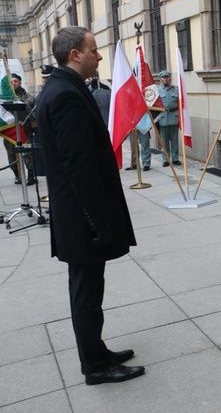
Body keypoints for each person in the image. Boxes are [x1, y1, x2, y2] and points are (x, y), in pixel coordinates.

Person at [35, 26, 145, 385]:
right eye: (93, 49)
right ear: (74, 55)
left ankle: (96, 351)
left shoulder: (64, 87)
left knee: (88, 289)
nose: (99, 56)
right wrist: (98, 220)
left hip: (78, 214)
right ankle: (95, 366)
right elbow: (78, 165)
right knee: (86, 293)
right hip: (81, 217)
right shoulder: (65, 94)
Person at [2, 73, 36, 185]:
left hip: (25, 130)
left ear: (20, 82)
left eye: (16, 81)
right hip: (10, 130)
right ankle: (17, 176)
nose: (13, 83)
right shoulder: (3, 99)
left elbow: (34, 114)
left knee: (28, 153)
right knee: (11, 154)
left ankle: (31, 176)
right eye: (11, 81)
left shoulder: (29, 98)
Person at [156, 70, 180, 167]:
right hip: (163, 117)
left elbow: (180, 103)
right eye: (163, 77)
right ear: (161, 79)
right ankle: (166, 159)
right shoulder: (157, 90)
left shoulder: (176, 90)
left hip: (174, 116)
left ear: (170, 78)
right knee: (164, 140)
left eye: (167, 77)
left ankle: (175, 158)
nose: (165, 79)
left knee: (175, 139)